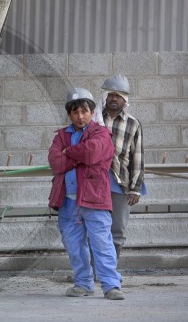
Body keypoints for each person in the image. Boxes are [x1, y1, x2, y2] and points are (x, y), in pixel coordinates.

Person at [48, 87, 124, 300]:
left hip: (94, 199)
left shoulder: (101, 134)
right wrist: (78, 155)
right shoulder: (62, 136)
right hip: (68, 202)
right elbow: (55, 162)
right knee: (74, 246)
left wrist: (70, 153)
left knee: (102, 244)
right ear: (69, 114)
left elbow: (93, 153)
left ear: (92, 112)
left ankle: (111, 286)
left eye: (84, 111)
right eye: (75, 112)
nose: (80, 117)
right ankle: (83, 284)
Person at [100, 75, 146, 259]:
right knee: (94, 228)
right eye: (110, 94)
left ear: (125, 100)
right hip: (95, 183)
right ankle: (92, 271)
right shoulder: (94, 118)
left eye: (118, 96)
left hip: (120, 183)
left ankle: (110, 271)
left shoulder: (133, 124)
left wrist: (135, 189)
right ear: (105, 97)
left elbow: (138, 157)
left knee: (117, 230)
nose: (113, 98)